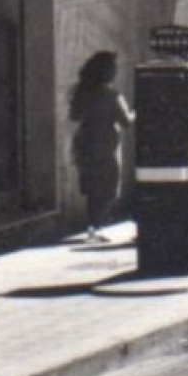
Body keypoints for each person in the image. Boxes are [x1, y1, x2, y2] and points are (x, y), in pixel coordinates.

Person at [69, 51, 134, 242]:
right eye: (113, 68)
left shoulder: (82, 92)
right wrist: (137, 112)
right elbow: (126, 121)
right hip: (106, 144)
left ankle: (93, 225)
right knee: (108, 185)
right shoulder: (112, 95)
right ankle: (99, 225)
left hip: (86, 141)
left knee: (92, 186)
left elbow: (74, 116)